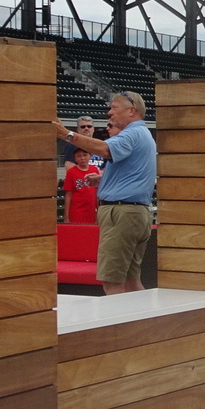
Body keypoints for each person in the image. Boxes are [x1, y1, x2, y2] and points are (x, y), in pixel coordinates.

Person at [51, 92, 153, 294]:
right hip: (135, 213)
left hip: (121, 213)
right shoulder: (144, 134)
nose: (109, 112)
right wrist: (104, 179)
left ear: (131, 110)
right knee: (131, 281)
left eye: (115, 107)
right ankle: (146, 322)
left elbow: (105, 149)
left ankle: (123, 325)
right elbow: (136, 172)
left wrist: (66, 134)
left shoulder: (131, 134)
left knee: (112, 281)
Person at [61, 146, 100, 224]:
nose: (82, 158)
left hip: (91, 211)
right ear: (75, 158)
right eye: (79, 156)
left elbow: (97, 192)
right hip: (76, 211)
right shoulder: (71, 172)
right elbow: (68, 194)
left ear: (90, 155)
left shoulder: (94, 170)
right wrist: (66, 216)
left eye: (85, 155)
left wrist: (99, 211)